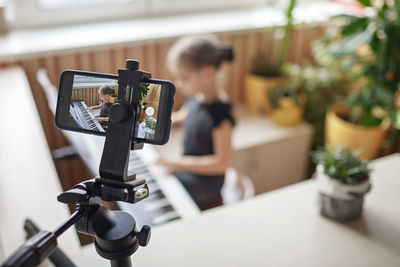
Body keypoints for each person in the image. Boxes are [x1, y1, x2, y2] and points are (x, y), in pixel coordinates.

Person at [157, 35, 235, 210]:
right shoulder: (196, 99)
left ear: (208, 73)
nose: (179, 83)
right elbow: (182, 116)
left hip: (205, 182)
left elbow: (223, 162)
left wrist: (179, 163)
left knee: (161, 187)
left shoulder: (220, 115)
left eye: (184, 78)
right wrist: (153, 122)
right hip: (188, 168)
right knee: (159, 180)